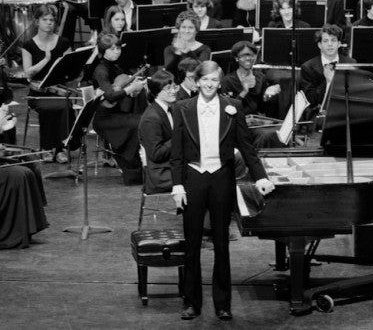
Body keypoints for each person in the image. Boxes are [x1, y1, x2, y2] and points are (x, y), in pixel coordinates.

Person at [170, 60, 275, 321]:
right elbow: (176, 154)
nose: (209, 84)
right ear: (196, 82)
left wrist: (260, 176)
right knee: (192, 244)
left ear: (219, 82)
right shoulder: (182, 108)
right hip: (193, 177)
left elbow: (247, 147)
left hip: (221, 178)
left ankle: (222, 304)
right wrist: (177, 185)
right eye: (204, 80)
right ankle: (191, 302)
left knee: (221, 244)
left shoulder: (233, 107)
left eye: (214, 81)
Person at [92, 33, 147, 184]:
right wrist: (131, 89)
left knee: (143, 120)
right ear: (104, 50)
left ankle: (137, 169)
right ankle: (131, 169)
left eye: (118, 48)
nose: (117, 51)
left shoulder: (116, 66)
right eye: (112, 49)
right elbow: (110, 96)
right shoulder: (101, 70)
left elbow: (121, 90)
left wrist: (135, 88)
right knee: (137, 123)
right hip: (104, 118)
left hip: (116, 112)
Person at [21, 4, 73, 163]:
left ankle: (59, 148)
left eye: (52, 20)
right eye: (45, 19)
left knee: (64, 105)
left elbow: (70, 68)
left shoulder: (64, 42)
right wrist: (46, 60)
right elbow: (28, 72)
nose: (49, 23)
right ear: (37, 21)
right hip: (38, 92)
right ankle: (48, 148)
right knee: (50, 107)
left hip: (58, 90)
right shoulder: (28, 45)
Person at [300, 25, 356, 115]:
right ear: (319, 45)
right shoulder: (308, 67)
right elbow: (311, 101)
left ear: (339, 44)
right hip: (318, 113)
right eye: (325, 41)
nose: (330, 44)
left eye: (333, 40)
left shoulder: (351, 63)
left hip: (345, 111)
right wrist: (328, 81)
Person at [138, 70, 178, 194]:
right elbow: (156, 154)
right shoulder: (151, 118)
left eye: (174, 87)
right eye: (168, 88)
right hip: (160, 174)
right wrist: (179, 136)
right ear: (156, 92)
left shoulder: (170, 108)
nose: (173, 91)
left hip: (170, 165)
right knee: (201, 176)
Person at [164, 11, 211, 78]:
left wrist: (188, 52)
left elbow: (202, 70)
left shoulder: (205, 49)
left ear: (196, 30)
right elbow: (168, 73)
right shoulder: (169, 49)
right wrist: (178, 54)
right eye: (183, 27)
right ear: (179, 29)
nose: (187, 31)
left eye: (191, 28)